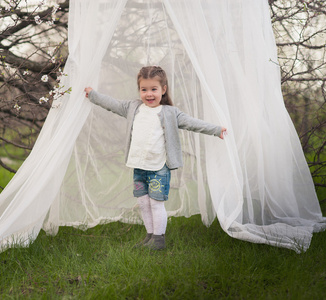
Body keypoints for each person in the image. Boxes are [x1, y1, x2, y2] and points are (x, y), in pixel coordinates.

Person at [84, 66, 227, 250]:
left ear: (163, 90)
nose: (149, 94)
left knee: (156, 203)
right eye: (144, 90)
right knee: (143, 203)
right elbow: (112, 104)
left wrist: (216, 130)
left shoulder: (170, 113)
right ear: (139, 90)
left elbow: (193, 123)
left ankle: (159, 240)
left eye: (154, 89)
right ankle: (150, 236)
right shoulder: (133, 108)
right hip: (139, 166)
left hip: (158, 167)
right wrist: (93, 95)